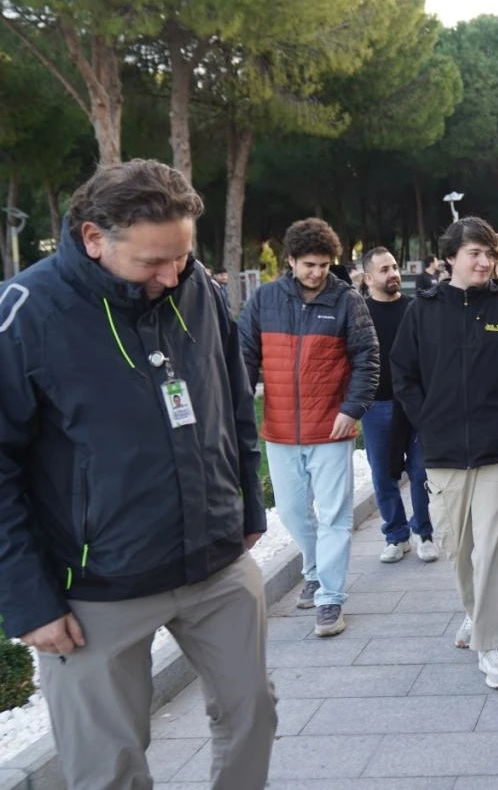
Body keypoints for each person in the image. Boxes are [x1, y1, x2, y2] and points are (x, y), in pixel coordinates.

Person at [0, 160, 277, 789]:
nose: (171, 275)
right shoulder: (27, 314)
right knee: (109, 765)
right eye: (153, 262)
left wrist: (248, 507)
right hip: (95, 588)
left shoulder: (195, 288)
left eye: (181, 256)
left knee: (254, 713)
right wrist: (26, 600)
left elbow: (232, 398)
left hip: (216, 561)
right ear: (94, 239)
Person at [391, 216, 498, 689]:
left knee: (493, 548)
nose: (483, 262)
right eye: (474, 253)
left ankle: (491, 644)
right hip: (443, 452)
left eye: (489, 254)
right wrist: (429, 418)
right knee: (460, 549)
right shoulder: (422, 311)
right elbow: (403, 375)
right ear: (451, 257)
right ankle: (475, 613)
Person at [239, 218, 377, 638]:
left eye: (324, 265)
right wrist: (240, 405)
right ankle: (314, 568)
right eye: (309, 264)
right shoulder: (263, 300)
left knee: (334, 516)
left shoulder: (347, 301)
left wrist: (352, 409)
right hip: (280, 429)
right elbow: (242, 356)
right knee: (295, 513)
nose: (317, 272)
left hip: (331, 429)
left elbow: (367, 359)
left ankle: (330, 598)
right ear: (291, 261)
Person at [361, 247, 438, 565]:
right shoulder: (360, 313)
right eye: (384, 269)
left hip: (416, 404)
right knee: (382, 474)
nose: (393, 273)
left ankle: (425, 533)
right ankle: (396, 536)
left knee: (420, 471)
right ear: (368, 278)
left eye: (394, 267)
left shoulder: (415, 308)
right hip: (377, 405)